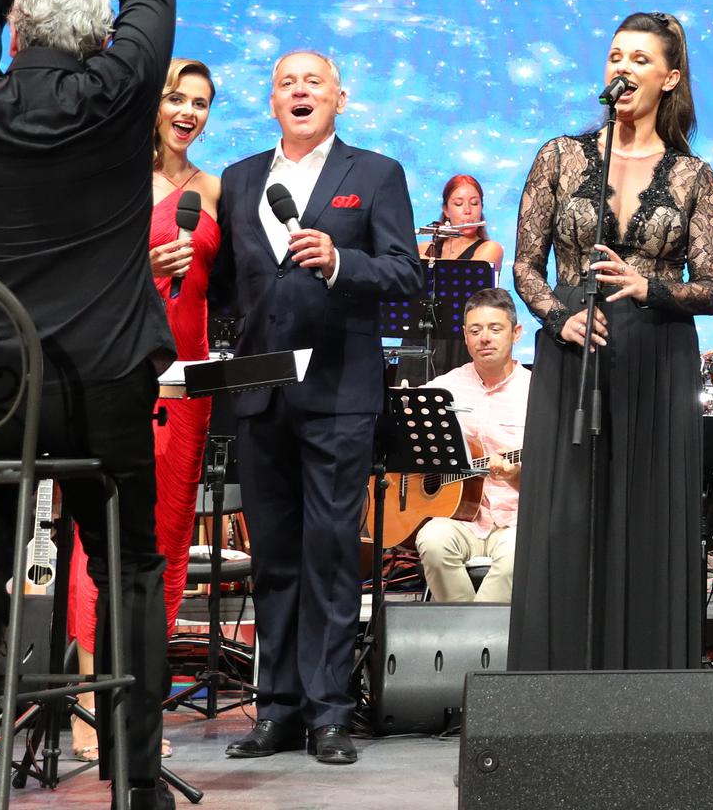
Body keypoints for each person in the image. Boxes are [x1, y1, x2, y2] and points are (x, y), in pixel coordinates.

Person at [0, 0, 178, 810]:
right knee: (129, 566)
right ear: (101, 44)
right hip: (100, 390)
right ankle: (136, 778)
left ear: (17, 38)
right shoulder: (118, 93)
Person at [211, 49, 421, 765]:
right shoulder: (240, 179)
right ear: (272, 101)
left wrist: (339, 262)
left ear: (340, 97)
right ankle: (276, 710)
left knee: (330, 554)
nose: (299, 91)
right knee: (272, 557)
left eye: (313, 82)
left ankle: (330, 713)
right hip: (260, 390)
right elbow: (225, 285)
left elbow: (405, 274)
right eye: (286, 83)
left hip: (338, 392)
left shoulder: (376, 174)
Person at [509, 10, 713, 671]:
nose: (622, 68)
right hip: (572, 353)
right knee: (567, 519)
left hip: (656, 358)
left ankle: (647, 683)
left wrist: (649, 286)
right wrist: (558, 317)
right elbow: (526, 264)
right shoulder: (560, 155)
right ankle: (554, 682)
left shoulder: (692, 175)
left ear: (670, 78)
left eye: (639, 58)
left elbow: (711, 288)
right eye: (614, 56)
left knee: (647, 522)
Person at [69, 58, 221, 762]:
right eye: (176, 98)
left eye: (201, 103)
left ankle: (141, 710)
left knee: (167, 543)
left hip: (190, 383)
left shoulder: (214, 190)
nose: (188, 112)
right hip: (125, 372)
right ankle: (88, 701)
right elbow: (82, 274)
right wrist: (142, 268)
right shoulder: (116, 177)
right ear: (153, 105)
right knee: (101, 541)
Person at [414, 287, 531, 602]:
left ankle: (469, 630)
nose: (485, 338)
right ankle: (470, 629)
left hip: (515, 522)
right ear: (465, 336)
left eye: (495, 329)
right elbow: (409, 446)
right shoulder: (442, 390)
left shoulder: (537, 393)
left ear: (516, 333)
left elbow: (553, 483)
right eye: (475, 331)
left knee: (516, 557)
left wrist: (515, 476)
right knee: (432, 540)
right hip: (462, 520)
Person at [396, 173, 504, 384]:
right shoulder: (423, 248)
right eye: (458, 204)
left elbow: (460, 278)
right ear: (446, 210)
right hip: (420, 336)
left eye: (475, 203)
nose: (467, 211)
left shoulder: (490, 249)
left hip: (459, 340)